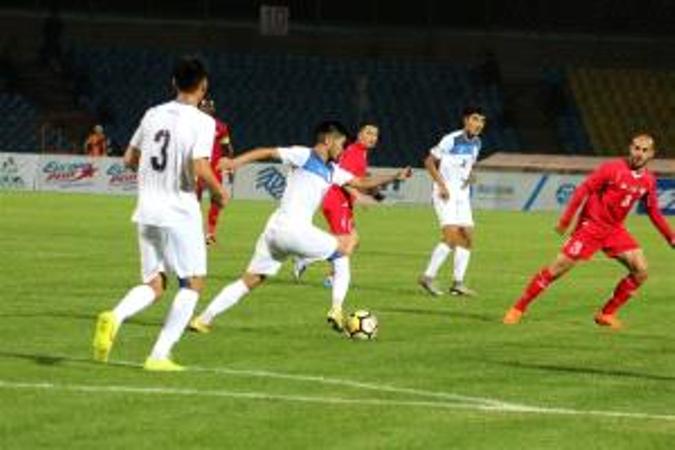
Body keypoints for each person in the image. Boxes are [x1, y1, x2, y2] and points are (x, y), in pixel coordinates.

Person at [189, 121, 411, 334]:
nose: (342, 149)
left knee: (251, 280)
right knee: (343, 250)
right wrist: (234, 162)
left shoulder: (332, 170)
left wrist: (394, 176)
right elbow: (268, 152)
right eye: (341, 144)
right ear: (328, 140)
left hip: (274, 231)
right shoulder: (304, 155)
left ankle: (202, 319)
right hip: (293, 230)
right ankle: (336, 308)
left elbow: (361, 183)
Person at [92, 56, 228, 371]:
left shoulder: (152, 114)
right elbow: (199, 165)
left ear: (173, 83)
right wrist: (219, 192)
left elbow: (129, 159)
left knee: (155, 283)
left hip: (147, 209)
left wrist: (156, 175)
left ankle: (115, 315)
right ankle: (159, 355)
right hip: (179, 209)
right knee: (193, 283)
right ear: (204, 86)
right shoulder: (203, 122)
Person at [503, 133, 675, 328]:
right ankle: (518, 308)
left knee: (641, 270)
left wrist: (671, 237)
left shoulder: (649, 180)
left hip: (615, 230)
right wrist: (566, 220)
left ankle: (606, 314)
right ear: (630, 148)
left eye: (644, 150)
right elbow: (583, 189)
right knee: (557, 269)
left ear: (651, 154)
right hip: (591, 226)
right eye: (636, 148)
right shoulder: (612, 168)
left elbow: (654, 211)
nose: (639, 153)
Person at [293, 122, 381, 285]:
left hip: (341, 201)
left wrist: (370, 190)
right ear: (359, 135)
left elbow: (356, 176)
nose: (372, 137)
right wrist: (359, 196)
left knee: (354, 241)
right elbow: (341, 179)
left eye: (375, 134)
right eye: (368, 133)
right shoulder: (354, 152)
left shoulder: (360, 153)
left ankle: (307, 258)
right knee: (346, 244)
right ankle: (329, 275)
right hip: (337, 201)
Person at [418, 106, 486, 297]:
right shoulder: (451, 139)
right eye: (475, 119)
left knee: (467, 236)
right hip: (445, 192)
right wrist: (441, 185)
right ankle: (427, 277)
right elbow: (429, 162)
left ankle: (458, 283)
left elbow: (469, 164)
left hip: (463, 194)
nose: (479, 124)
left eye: (482, 120)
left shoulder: (477, 142)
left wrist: (470, 175)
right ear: (466, 120)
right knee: (452, 236)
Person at [195, 97, 234, 245]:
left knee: (216, 200)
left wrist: (229, 164)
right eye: (204, 107)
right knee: (193, 201)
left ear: (213, 110)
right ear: (199, 109)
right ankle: (192, 231)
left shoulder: (221, 127)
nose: (207, 109)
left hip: (214, 168)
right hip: (196, 167)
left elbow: (226, 148)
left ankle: (210, 233)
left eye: (209, 107)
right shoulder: (191, 125)